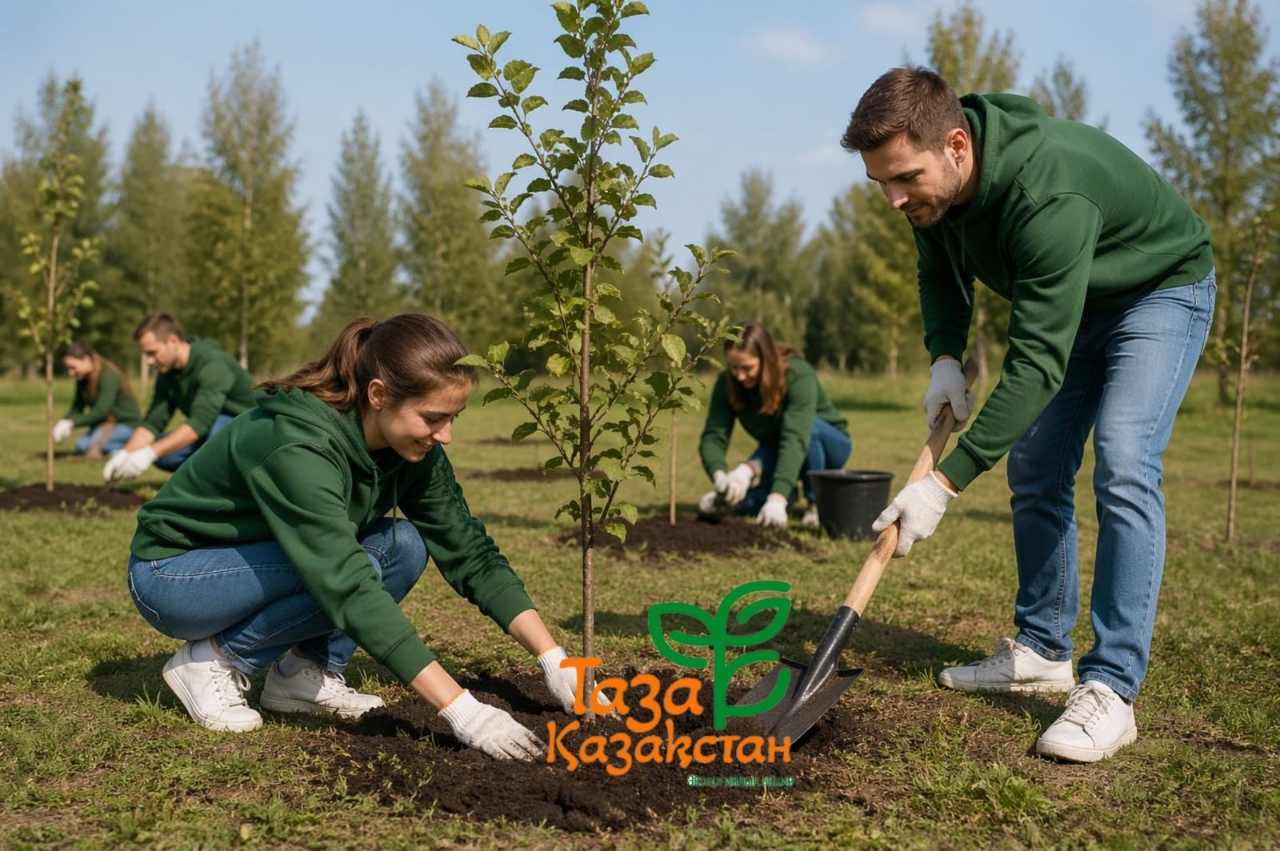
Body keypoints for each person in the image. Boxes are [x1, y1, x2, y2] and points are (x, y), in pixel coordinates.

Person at [841, 66, 1215, 762]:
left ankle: (1113, 689)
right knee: (1038, 462)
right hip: (1080, 298)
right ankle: (1042, 648)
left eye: (905, 178)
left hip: (1158, 290)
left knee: (1125, 458)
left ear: (957, 146)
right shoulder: (933, 196)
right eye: (880, 182)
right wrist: (944, 357)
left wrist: (941, 484)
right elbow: (939, 273)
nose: (893, 199)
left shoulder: (1047, 193)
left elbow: (1037, 363)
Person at [126, 313, 586, 761]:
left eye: (453, 417)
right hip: (174, 575)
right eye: (432, 417)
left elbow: (469, 549)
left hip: (264, 557)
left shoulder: (412, 448)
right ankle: (212, 661)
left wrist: (555, 659)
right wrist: (464, 711)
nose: (445, 435)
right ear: (379, 395)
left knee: (402, 545)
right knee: (360, 566)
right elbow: (345, 581)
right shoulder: (297, 443)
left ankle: (303, 673)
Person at [697, 320, 851, 529]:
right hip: (777, 449)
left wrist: (777, 497)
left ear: (766, 359)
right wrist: (721, 478)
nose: (739, 376)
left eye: (747, 368)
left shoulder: (798, 374)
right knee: (746, 503)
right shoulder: (728, 383)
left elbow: (795, 437)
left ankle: (816, 503)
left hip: (827, 444)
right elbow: (714, 435)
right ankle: (786, 494)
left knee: (810, 429)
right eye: (733, 367)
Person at [103, 313, 256, 481]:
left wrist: (149, 453)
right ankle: (207, 473)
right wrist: (126, 453)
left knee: (218, 427)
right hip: (213, 430)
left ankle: (231, 481)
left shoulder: (213, 364)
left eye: (152, 353)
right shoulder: (167, 374)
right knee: (164, 454)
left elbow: (199, 422)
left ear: (173, 341)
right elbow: (153, 422)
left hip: (252, 430)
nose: (148, 361)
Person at [52, 341, 142, 458]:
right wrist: (65, 421)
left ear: (86, 359)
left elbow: (101, 411)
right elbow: (77, 407)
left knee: (89, 447)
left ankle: (135, 446)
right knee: (81, 445)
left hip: (126, 425)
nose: (71, 373)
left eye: (73, 367)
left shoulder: (108, 376)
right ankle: (121, 449)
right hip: (105, 426)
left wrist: (72, 423)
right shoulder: (82, 380)